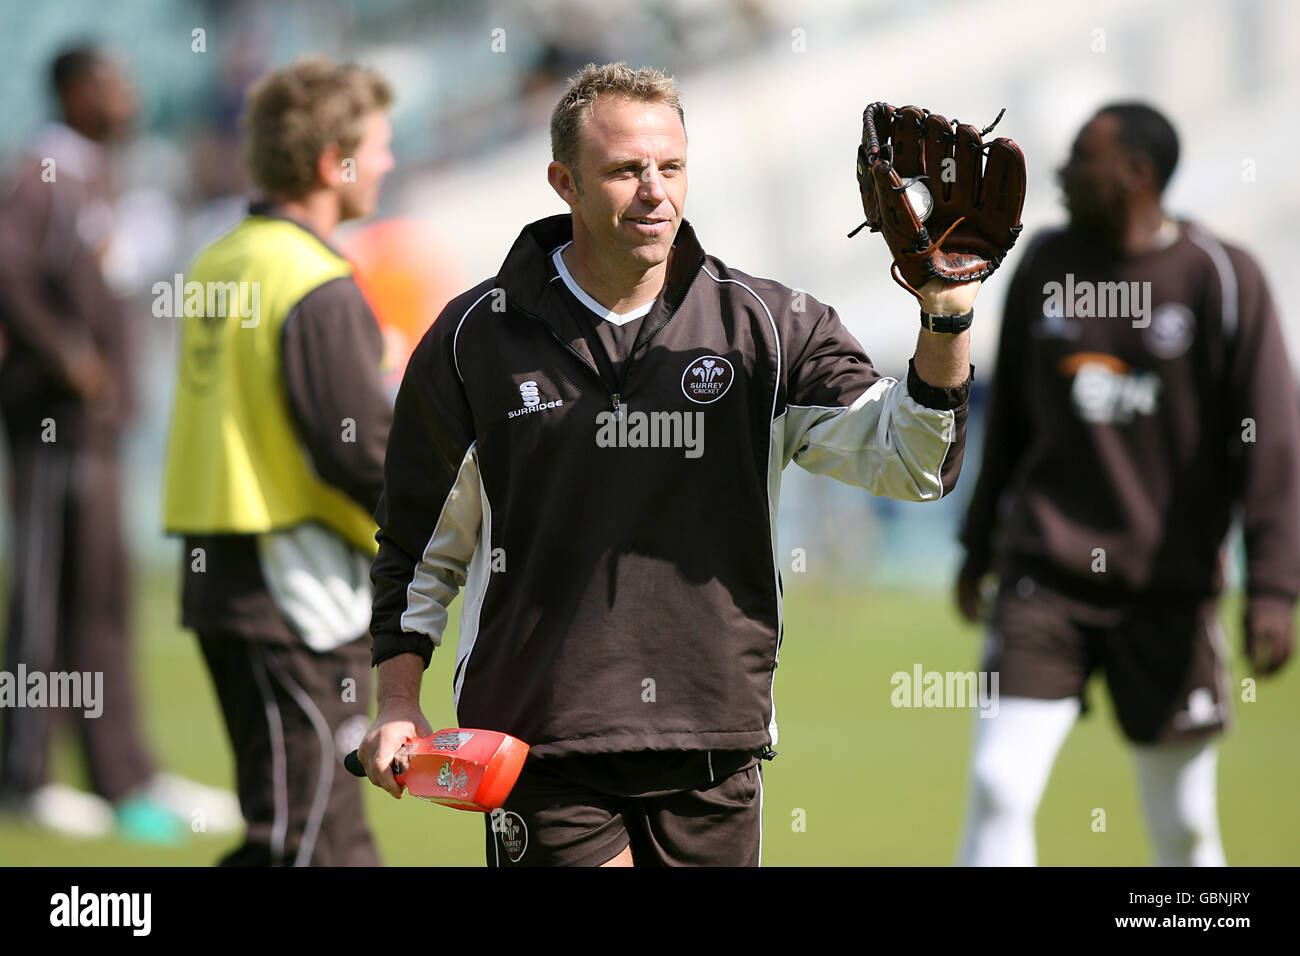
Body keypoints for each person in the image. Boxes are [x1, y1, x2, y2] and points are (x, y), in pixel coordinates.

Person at [358, 63, 990, 867]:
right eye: (625, 170)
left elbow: (914, 464)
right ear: (565, 183)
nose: (655, 191)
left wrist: (946, 314)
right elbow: (415, 547)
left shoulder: (769, 325)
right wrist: (396, 702)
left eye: (671, 167)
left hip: (714, 740)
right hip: (540, 743)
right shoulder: (472, 338)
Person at [954, 102, 1300, 866]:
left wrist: (1273, 586)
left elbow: (1271, 442)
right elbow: (1007, 423)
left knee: (1182, 823)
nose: (1062, 172)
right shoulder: (1044, 263)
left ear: (1135, 175)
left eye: (1083, 157)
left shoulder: (1222, 277)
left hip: (1166, 592)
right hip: (1045, 579)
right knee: (999, 782)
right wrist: (976, 546)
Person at [0, 43, 237, 842]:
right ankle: (24, 776)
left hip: (95, 431)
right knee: (43, 595)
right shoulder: (44, 170)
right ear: (72, 89)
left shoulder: (97, 174)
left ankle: (123, 772)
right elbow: (6, 271)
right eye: (112, 80)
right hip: (51, 422)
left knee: (101, 593)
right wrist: (69, 356)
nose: (129, 93)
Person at [161, 58, 396, 865]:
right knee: (300, 832)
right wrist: (452, 518)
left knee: (330, 829)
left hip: (225, 570)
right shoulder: (314, 280)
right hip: (293, 583)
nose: (391, 163)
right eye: (380, 146)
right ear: (337, 163)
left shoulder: (217, 260)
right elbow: (359, 446)